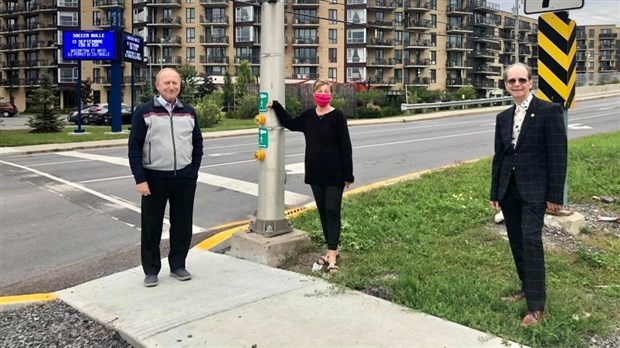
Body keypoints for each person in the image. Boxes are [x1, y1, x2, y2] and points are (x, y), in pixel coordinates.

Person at [490, 63, 567, 327]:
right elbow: (499, 157)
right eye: (511, 81)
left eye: (522, 79)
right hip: (509, 190)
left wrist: (555, 196)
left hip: (535, 190)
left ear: (530, 82)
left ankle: (536, 307)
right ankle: (526, 287)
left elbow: (558, 156)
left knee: (531, 240)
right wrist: (495, 191)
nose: (517, 84)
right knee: (516, 240)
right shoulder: (503, 117)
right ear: (506, 85)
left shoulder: (549, 111)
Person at [267, 79, 354, 273]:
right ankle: (332, 247)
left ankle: (331, 254)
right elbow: (289, 123)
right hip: (316, 173)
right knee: (323, 211)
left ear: (331, 94)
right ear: (314, 95)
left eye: (326, 91)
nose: (323, 94)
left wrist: (348, 175)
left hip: (335, 173)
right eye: (320, 91)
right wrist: (276, 106)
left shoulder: (337, 116)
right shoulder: (308, 117)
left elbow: (345, 146)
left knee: (332, 211)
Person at [128, 68, 204, 287]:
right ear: (157, 85)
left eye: (175, 83)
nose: (171, 86)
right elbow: (134, 148)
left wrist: (193, 171)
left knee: (182, 224)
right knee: (151, 226)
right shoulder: (145, 111)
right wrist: (139, 179)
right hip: (154, 178)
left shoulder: (189, 111)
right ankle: (151, 270)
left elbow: (197, 143)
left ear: (180, 85)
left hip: (184, 178)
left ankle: (178, 265)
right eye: (166, 83)